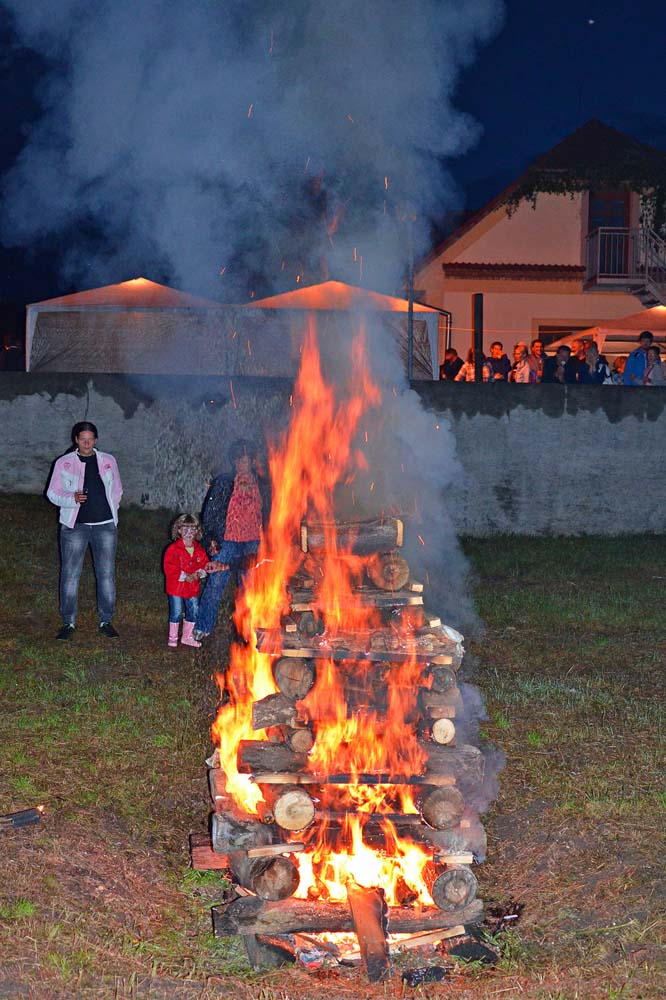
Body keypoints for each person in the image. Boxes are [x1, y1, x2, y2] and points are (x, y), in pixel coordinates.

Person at [47, 422, 122, 640]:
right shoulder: (64, 463)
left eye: (90, 439)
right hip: (75, 527)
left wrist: (112, 512)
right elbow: (52, 493)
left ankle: (106, 620)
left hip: (105, 525)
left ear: (95, 440)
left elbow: (117, 490)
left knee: (106, 574)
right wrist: (71, 499)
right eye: (83, 439)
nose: (87, 443)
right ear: (76, 440)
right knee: (70, 575)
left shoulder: (108, 461)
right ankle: (68, 622)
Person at [193, 440, 269, 641]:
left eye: (245, 460)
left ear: (252, 461)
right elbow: (210, 513)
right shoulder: (224, 482)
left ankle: (245, 630)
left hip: (253, 542)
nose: (241, 464)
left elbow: (269, 513)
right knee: (215, 583)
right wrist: (211, 539)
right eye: (238, 460)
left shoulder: (262, 485)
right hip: (227, 540)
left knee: (248, 587)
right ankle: (203, 626)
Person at [163, 513, 209, 648]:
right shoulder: (173, 549)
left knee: (193, 610)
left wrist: (199, 573)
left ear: (197, 531)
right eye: (185, 529)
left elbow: (205, 565)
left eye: (192, 529)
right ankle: (173, 637)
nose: (189, 533)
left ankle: (187, 637)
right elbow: (169, 567)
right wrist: (184, 575)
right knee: (176, 611)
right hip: (176, 587)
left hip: (192, 587)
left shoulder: (199, 550)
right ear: (179, 530)